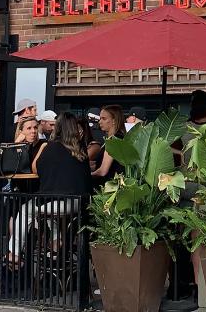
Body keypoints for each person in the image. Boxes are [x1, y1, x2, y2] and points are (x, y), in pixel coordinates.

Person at [8, 112, 92, 267]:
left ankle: (14, 253)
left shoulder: (50, 147)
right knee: (43, 209)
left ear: (58, 128)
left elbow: (36, 168)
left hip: (57, 202)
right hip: (80, 203)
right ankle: (56, 241)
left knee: (27, 209)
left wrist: (44, 147)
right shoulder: (81, 147)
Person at [91, 105, 126, 180]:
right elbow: (98, 164)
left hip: (109, 187)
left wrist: (84, 176)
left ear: (114, 120)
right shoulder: (112, 139)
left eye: (104, 118)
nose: (100, 122)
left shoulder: (114, 140)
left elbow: (103, 171)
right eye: (100, 118)